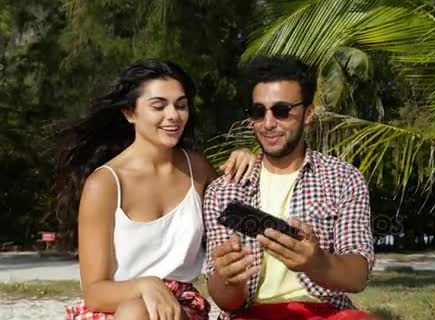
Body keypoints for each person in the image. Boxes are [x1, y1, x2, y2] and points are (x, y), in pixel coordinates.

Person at [55, 59, 256, 320]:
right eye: (158, 106)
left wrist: (247, 158)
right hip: (116, 308)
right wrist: (144, 284)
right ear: (130, 113)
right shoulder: (104, 184)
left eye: (181, 105)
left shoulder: (197, 168)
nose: (173, 115)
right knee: (135, 310)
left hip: (180, 308)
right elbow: (94, 293)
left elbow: (239, 214)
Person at [203, 55, 378, 320]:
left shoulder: (343, 178)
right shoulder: (223, 190)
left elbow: (357, 277)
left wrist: (317, 262)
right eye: (258, 112)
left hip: (327, 312)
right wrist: (229, 278)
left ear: (308, 114)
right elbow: (227, 301)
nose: (268, 123)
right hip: (250, 313)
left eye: (282, 110)